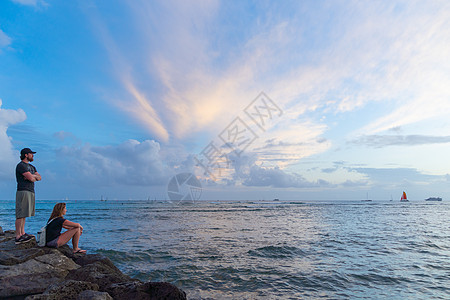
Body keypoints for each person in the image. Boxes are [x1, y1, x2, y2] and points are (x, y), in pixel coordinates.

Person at [15, 147, 41, 244]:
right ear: (26, 155)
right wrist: (32, 177)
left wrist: (32, 176)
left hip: (30, 191)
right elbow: (32, 178)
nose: (32, 155)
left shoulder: (32, 167)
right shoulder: (21, 166)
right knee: (20, 213)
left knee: (25, 214)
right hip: (23, 191)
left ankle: (22, 233)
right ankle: (18, 236)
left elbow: (39, 177)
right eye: (31, 154)